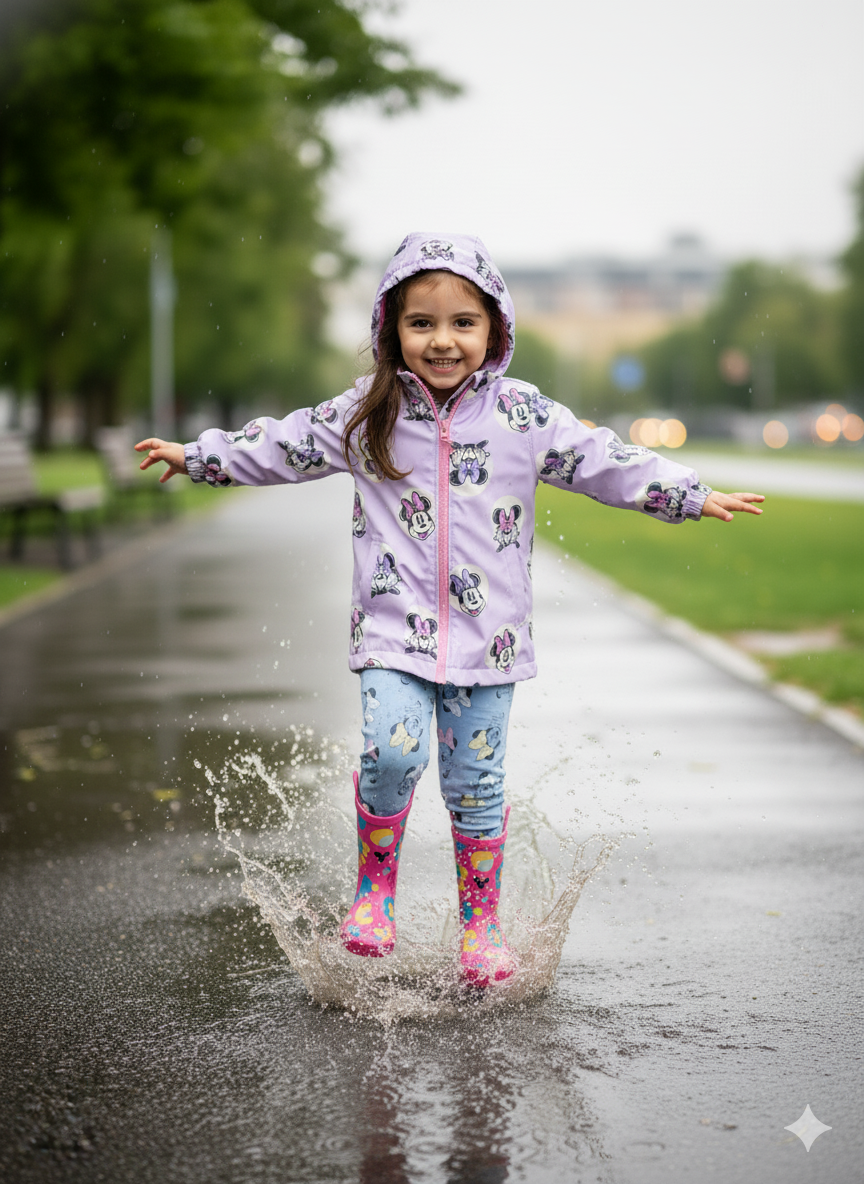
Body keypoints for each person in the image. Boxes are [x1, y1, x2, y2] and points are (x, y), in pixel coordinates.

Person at [136, 232, 763, 989]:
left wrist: (689, 494)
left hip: (488, 643)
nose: (442, 340)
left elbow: (605, 460)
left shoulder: (522, 414)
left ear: (495, 330)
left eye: (463, 322)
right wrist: (198, 455)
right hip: (393, 633)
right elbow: (285, 444)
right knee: (392, 755)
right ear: (391, 330)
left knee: (474, 785)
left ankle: (481, 925)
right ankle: (374, 892)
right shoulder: (370, 411)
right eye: (421, 323)